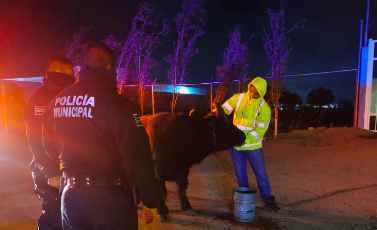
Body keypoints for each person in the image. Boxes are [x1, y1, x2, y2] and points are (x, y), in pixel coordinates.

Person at [41, 42, 161, 230]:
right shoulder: (120, 106)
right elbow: (137, 157)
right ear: (109, 67)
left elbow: (48, 148)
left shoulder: (55, 103)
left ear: (81, 66)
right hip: (111, 200)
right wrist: (151, 200)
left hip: (71, 198)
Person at [23, 57, 76, 229]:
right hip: (52, 172)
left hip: (72, 169)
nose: (74, 78)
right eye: (70, 74)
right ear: (58, 73)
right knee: (54, 217)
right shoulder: (40, 99)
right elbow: (36, 139)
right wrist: (51, 172)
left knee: (73, 216)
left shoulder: (73, 96)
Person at [221, 77, 280, 212]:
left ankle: (268, 199)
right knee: (240, 173)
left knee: (260, 172)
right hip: (236, 146)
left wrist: (242, 140)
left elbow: (260, 131)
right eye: (251, 91)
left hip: (253, 147)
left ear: (262, 93)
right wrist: (217, 112)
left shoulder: (264, 108)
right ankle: (243, 199)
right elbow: (225, 108)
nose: (252, 95)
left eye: (256, 93)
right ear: (249, 87)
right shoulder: (239, 98)